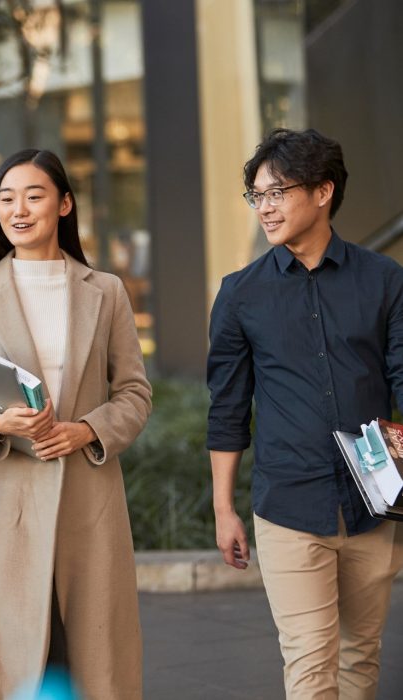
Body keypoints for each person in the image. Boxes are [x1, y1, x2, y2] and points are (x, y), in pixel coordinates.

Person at [0, 148, 151, 699]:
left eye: (34, 195)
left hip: (89, 498)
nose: (18, 209)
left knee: (97, 663)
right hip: (8, 504)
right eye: (6, 198)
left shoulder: (107, 291)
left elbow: (135, 393)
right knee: (18, 663)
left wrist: (88, 430)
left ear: (65, 204)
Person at [207, 127, 403, 699]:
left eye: (277, 192)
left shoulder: (384, 280)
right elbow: (226, 409)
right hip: (289, 503)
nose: (264, 208)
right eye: (257, 195)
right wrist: (224, 508)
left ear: (323, 191)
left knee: (360, 659)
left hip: (373, 504)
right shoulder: (241, 294)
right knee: (311, 664)